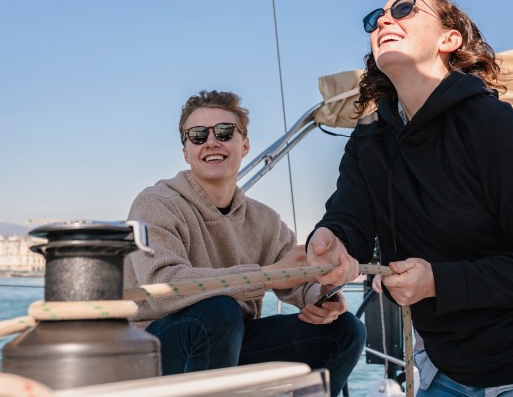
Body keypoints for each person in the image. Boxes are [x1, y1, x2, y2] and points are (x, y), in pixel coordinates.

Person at [306, 0, 513, 395]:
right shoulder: (370, 139)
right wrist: (331, 240)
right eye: (376, 18)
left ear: (449, 39)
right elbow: (350, 216)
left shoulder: (494, 127)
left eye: (405, 8)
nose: (385, 19)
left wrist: (437, 282)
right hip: (447, 372)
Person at [125, 90, 365, 396]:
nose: (211, 141)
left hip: (227, 344)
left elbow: (295, 277)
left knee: (345, 330)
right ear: (186, 151)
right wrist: (266, 276)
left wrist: (322, 295)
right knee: (218, 311)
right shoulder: (155, 204)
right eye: (197, 135)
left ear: (245, 144)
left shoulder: (264, 220)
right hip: (154, 353)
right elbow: (162, 288)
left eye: (225, 132)